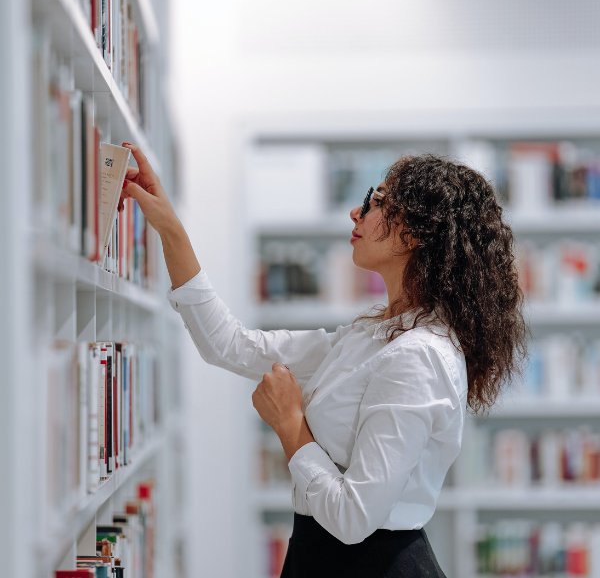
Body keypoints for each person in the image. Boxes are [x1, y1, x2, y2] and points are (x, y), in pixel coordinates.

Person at [118, 143, 528, 578]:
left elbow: (354, 518)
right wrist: (170, 229)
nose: (357, 212)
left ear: (414, 235)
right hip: (322, 557)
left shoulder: (419, 356)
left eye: (377, 202)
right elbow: (229, 344)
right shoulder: (371, 336)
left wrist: (290, 424)